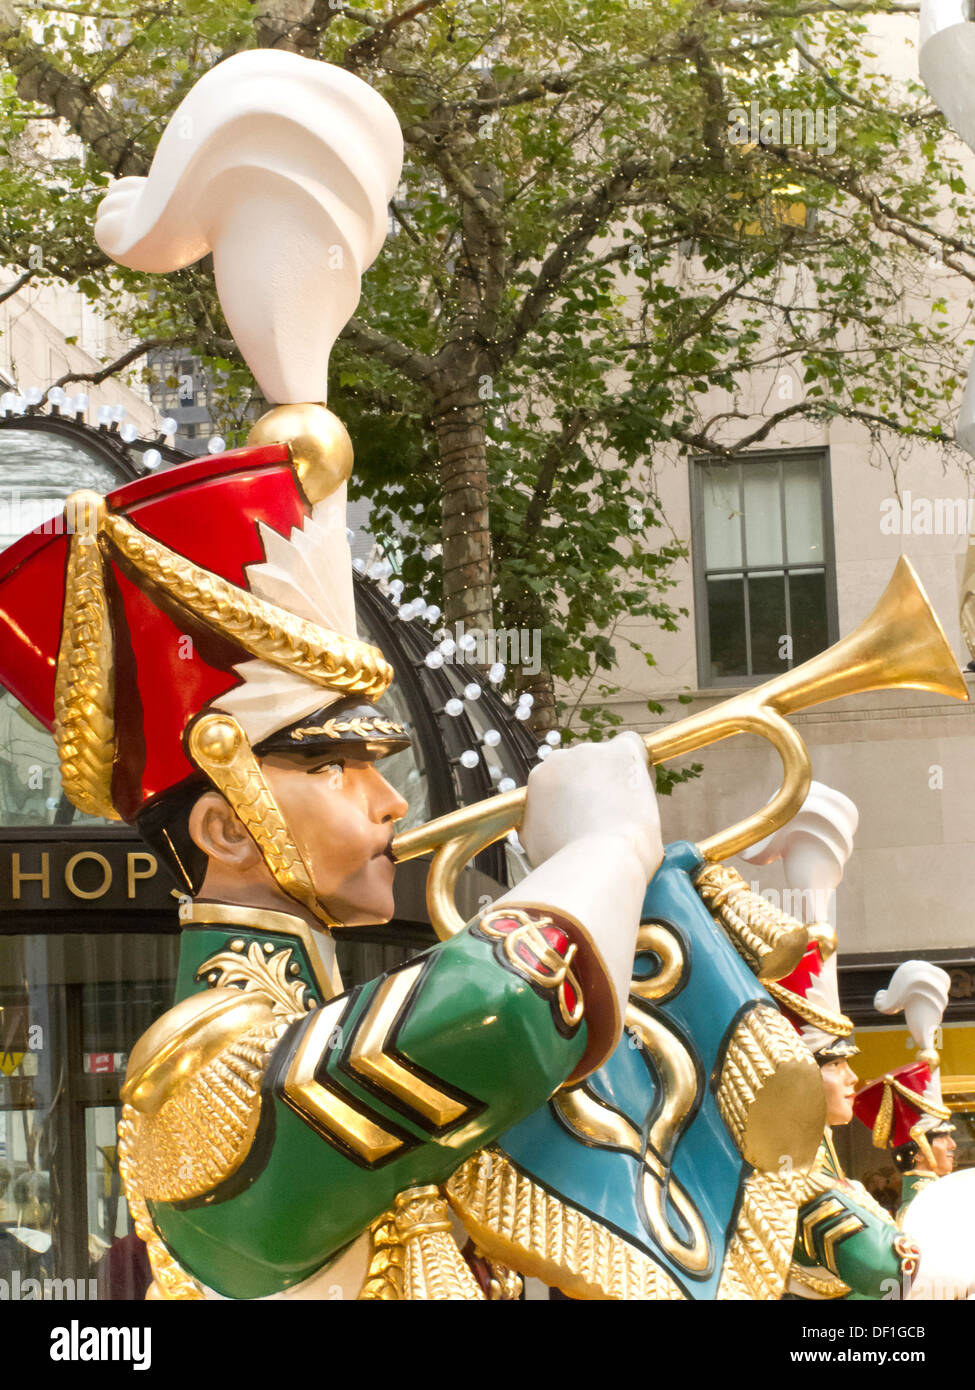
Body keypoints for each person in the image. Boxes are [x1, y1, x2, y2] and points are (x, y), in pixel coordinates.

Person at [0, 49, 662, 1301]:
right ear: (221, 814)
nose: (391, 803)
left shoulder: (322, 1026)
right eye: (343, 760)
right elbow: (511, 1010)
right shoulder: (204, 1069)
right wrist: (610, 851)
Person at [741, 784, 921, 1299]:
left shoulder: (815, 1171)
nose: (852, 1077)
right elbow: (890, 1272)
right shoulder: (797, 1178)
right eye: (836, 1063)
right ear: (798, 1072)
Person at [853, 960, 957, 1225]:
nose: (952, 1145)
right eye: (943, 1137)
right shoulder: (925, 1208)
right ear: (920, 1150)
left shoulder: (935, 1199)